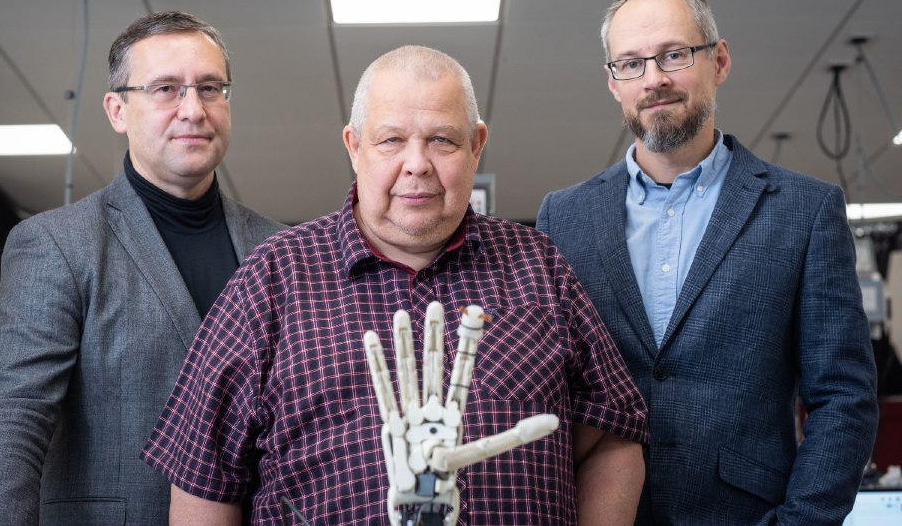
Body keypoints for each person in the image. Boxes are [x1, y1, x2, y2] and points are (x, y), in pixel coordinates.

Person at [141, 45, 649, 525]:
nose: (417, 163)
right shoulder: (272, 279)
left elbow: (612, 438)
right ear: (354, 146)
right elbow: (203, 479)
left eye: (442, 140)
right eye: (391, 140)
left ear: (476, 146)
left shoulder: (539, 267)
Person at [537, 0, 879, 524]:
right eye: (631, 63)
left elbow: (844, 398)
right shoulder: (564, 218)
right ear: (613, 82)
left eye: (674, 55)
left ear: (718, 61)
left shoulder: (803, 211)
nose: (653, 79)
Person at [0, 11, 286, 525]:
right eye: (165, 89)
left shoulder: (281, 251)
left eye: (209, 88)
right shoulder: (57, 245)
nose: (193, 109)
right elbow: (11, 419)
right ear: (117, 110)